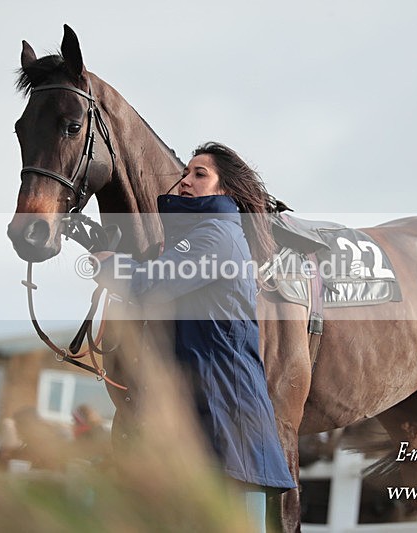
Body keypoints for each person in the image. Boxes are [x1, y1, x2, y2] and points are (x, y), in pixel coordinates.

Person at [94, 142, 296, 531]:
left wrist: (108, 264)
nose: (185, 181)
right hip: (214, 424)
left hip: (229, 426)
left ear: (226, 189)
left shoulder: (216, 234)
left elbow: (150, 284)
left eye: (200, 174)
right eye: (185, 173)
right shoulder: (203, 237)